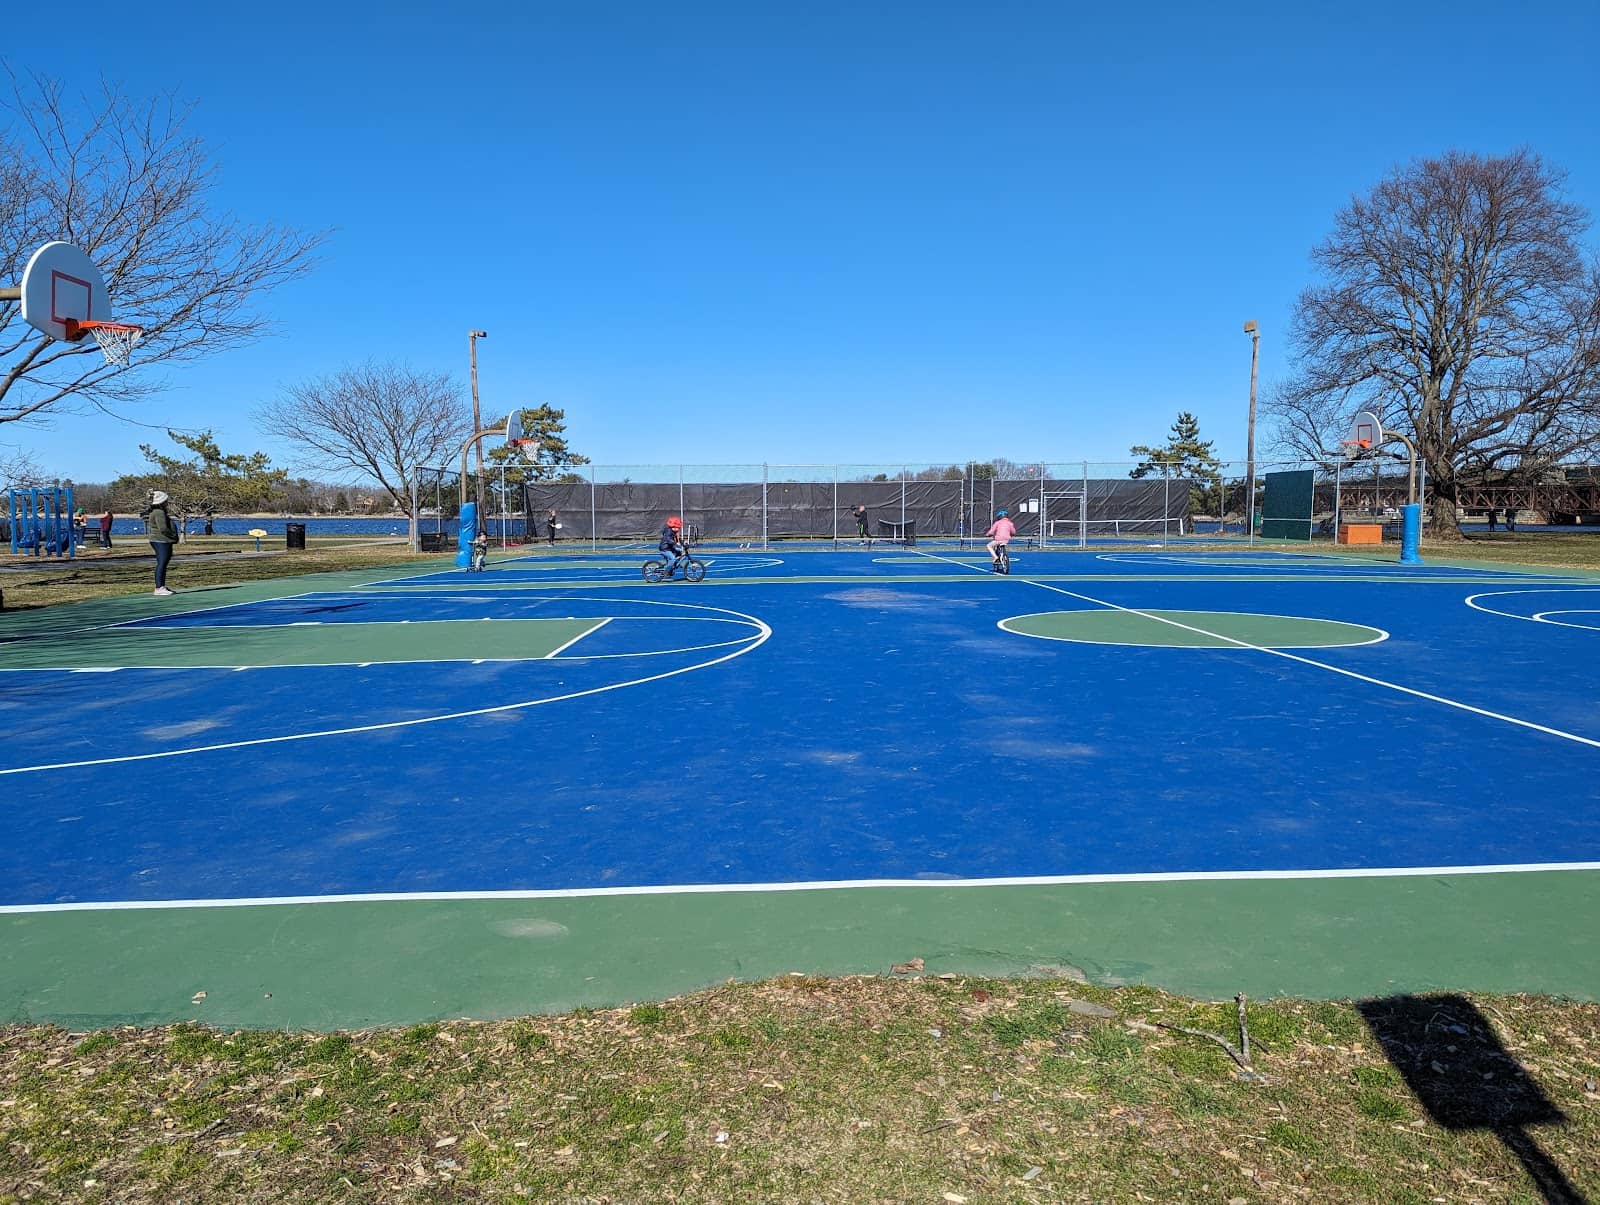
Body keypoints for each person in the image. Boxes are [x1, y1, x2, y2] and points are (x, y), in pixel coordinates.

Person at [140, 490, 178, 596]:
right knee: (162, 563)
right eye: (166, 500)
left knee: (163, 563)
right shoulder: (159, 512)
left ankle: (161, 585)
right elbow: (163, 528)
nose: (167, 502)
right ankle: (159, 587)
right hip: (161, 540)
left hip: (160, 540)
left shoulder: (157, 512)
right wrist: (173, 536)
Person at [658, 515, 686, 579]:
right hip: (665, 549)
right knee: (673, 558)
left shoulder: (674, 532)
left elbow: (678, 539)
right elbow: (669, 540)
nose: (678, 529)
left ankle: (673, 566)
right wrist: (676, 544)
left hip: (670, 547)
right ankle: (666, 572)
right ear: (673, 526)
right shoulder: (668, 532)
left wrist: (683, 542)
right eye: (677, 527)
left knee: (679, 552)